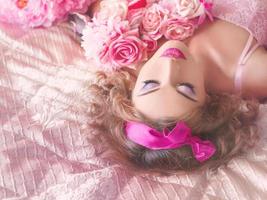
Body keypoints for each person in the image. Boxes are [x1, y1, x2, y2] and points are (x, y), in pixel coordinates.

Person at [81, 0, 266, 174]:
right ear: (208, 104)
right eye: (186, 88)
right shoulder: (250, 74)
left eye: (150, 84)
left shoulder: (120, 46)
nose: (170, 65)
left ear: (131, 90)